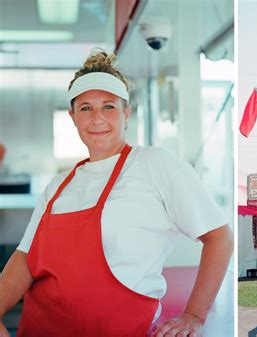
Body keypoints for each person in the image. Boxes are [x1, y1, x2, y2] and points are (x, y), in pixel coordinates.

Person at [0, 49, 233, 337]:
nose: (97, 118)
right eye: (85, 108)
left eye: (108, 106)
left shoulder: (154, 165)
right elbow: (25, 258)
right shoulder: (58, 186)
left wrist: (194, 315)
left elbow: (219, 236)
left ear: (126, 112)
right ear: (73, 117)